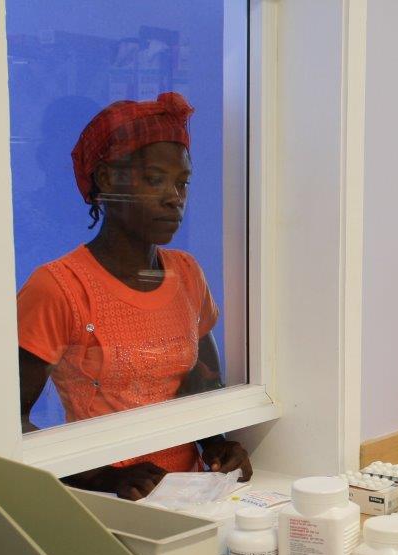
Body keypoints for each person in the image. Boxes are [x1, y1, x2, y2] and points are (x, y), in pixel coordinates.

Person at [17, 92, 251, 499]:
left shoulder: (187, 274)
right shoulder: (58, 287)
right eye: (154, 179)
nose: (173, 198)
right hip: (109, 504)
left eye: (182, 183)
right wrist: (100, 476)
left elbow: (202, 384)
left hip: (194, 496)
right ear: (107, 180)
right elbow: (9, 424)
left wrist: (217, 444)